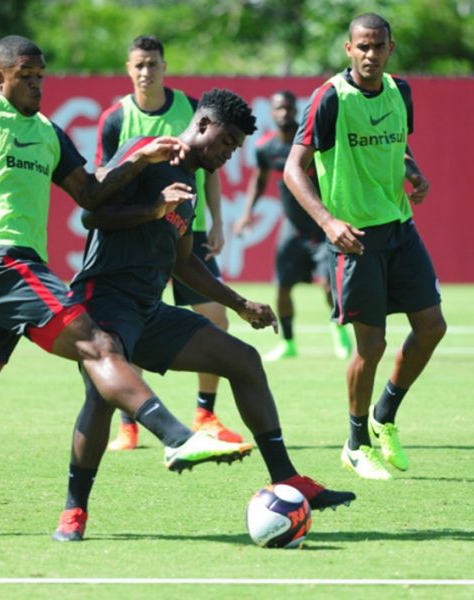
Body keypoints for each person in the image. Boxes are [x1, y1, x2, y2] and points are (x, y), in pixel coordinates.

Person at [0, 36, 252, 535]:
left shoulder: (50, 134)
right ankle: (177, 435)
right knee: (98, 344)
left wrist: (140, 160)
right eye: (25, 74)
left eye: (41, 74)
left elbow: (92, 194)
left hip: (10, 275)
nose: (36, 83)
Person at [52, 88, 356, 542]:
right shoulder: (145, 152)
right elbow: (93, 215)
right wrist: (153, 208)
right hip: (104, 300)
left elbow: (184, 262)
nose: (228, 155)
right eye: (226, 142)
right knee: (99, 400)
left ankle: (288, 479)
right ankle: (74, 513)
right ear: (202, 125)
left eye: (235, 149)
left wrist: (241, 304)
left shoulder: (190, 186)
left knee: (245, 361)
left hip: (150, 310)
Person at [284, 13, 446, 480]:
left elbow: (397, 148)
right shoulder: (331, 98)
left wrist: (411, 171)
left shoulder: (401, 92)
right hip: (354, 240)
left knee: (432, 326)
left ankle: (384, 415)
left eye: (378, 46)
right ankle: (355, 443)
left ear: (390, 49)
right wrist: (328, 221)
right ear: (348, 49)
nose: (371, 55)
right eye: (362, 47)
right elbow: (295, 169)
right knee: (370, 345)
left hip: (400, 228)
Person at [95, 35, 241, 451]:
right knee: (131, 324)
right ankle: (129, 423)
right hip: (140, 234)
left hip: (185, 229)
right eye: (139, 65)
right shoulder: (115, 118)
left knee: (216, 316)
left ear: (164, 66)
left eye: (153, 64)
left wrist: (216, 219)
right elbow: (105, 181)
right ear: (129, 68)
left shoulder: (191, 108)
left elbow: (210, 169)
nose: (146, 72)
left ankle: (205, 413)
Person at [234, 91, 353, 362]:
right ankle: (288, 343)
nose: (283, 113)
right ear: (271, 113)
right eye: (278, 108)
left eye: (288, 108)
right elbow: (260, 179)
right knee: (282, 287)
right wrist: (246, 214)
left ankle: (339, 334)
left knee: (326, 286)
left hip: (321, 227)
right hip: (292, 228)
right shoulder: (266, 147)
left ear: (296, 110)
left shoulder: (310, 144)